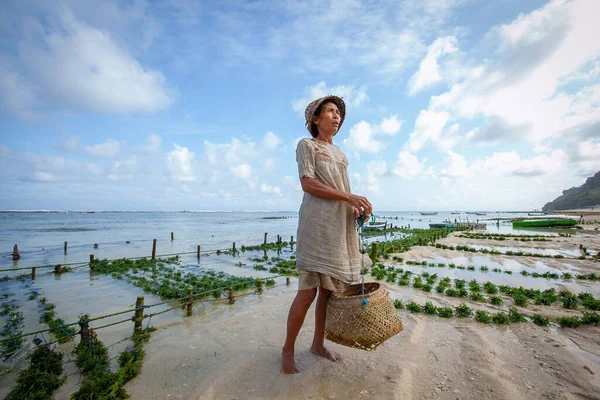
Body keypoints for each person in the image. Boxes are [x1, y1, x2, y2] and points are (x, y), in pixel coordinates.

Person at [281, 95, 373, 374]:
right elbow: (308, 184)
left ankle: (318, 344)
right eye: (330, 111)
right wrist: (349, 196)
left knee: (328, 292)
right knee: (307, 292)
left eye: (338, 113)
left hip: (339, 227)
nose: (337, 117)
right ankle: (287, 349)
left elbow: (341, 187)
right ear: (315, 118)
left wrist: (355, 208)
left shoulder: (341, 154)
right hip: (316, 225)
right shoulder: (306, 145)